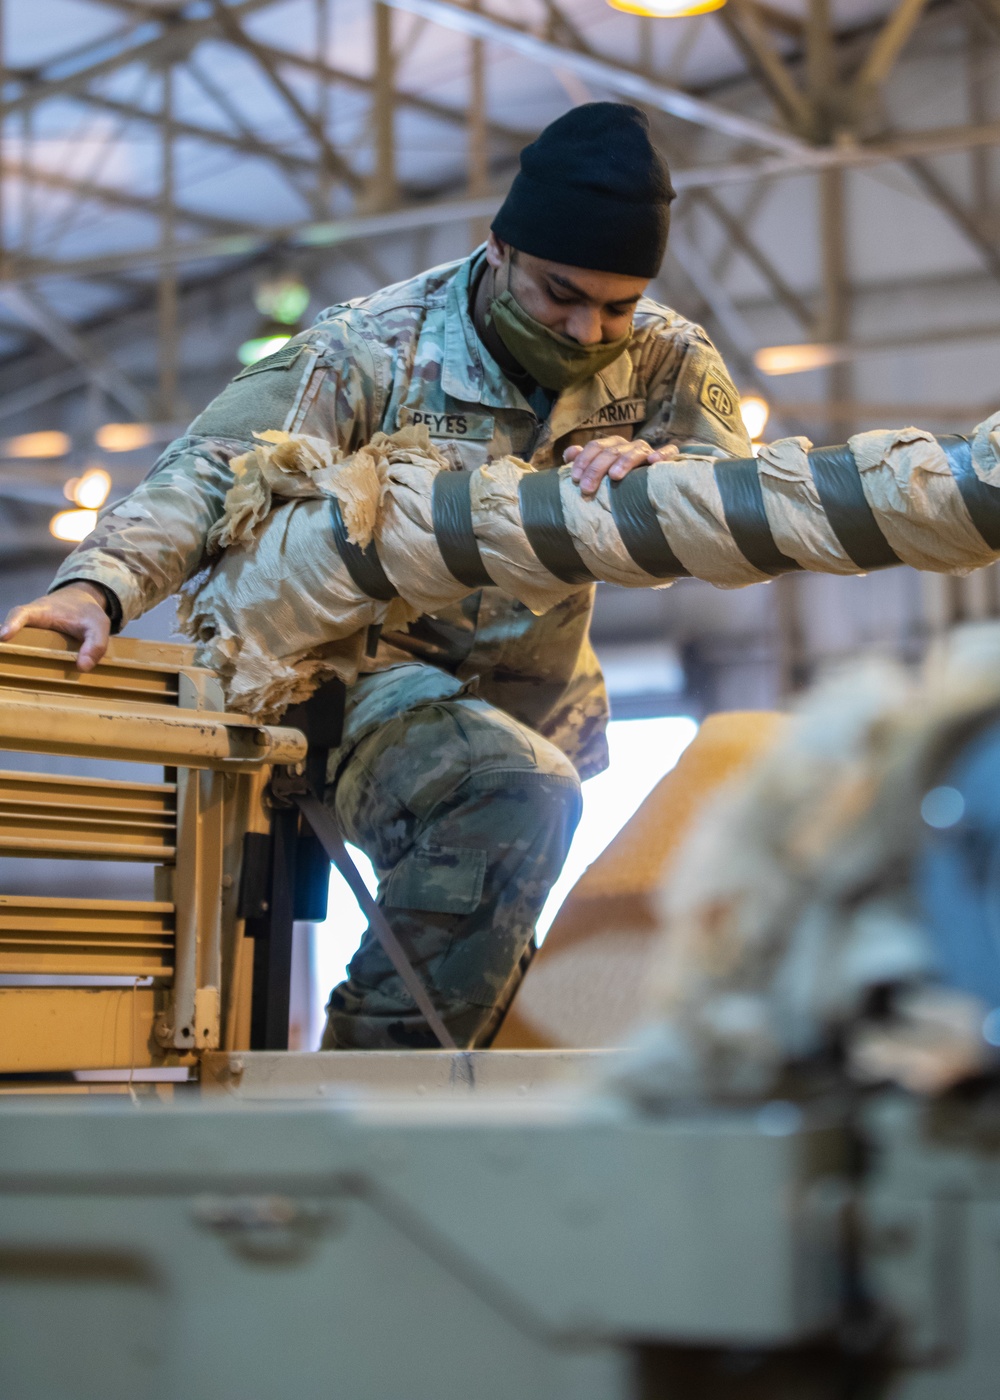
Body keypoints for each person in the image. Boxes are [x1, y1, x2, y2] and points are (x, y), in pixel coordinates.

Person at [2, 103, 752, 1049]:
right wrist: (97, 586)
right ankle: (374, 1091)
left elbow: (742, 495)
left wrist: (671, 478)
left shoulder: (667, 357)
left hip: (532, 692)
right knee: (513, 797)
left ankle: (445, 1100)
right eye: (561, 293)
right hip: (354, 680)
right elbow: (213, 467)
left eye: (617, 304)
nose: (586, 326)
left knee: (503, 893)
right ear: (499, 248)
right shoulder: (373, 347)